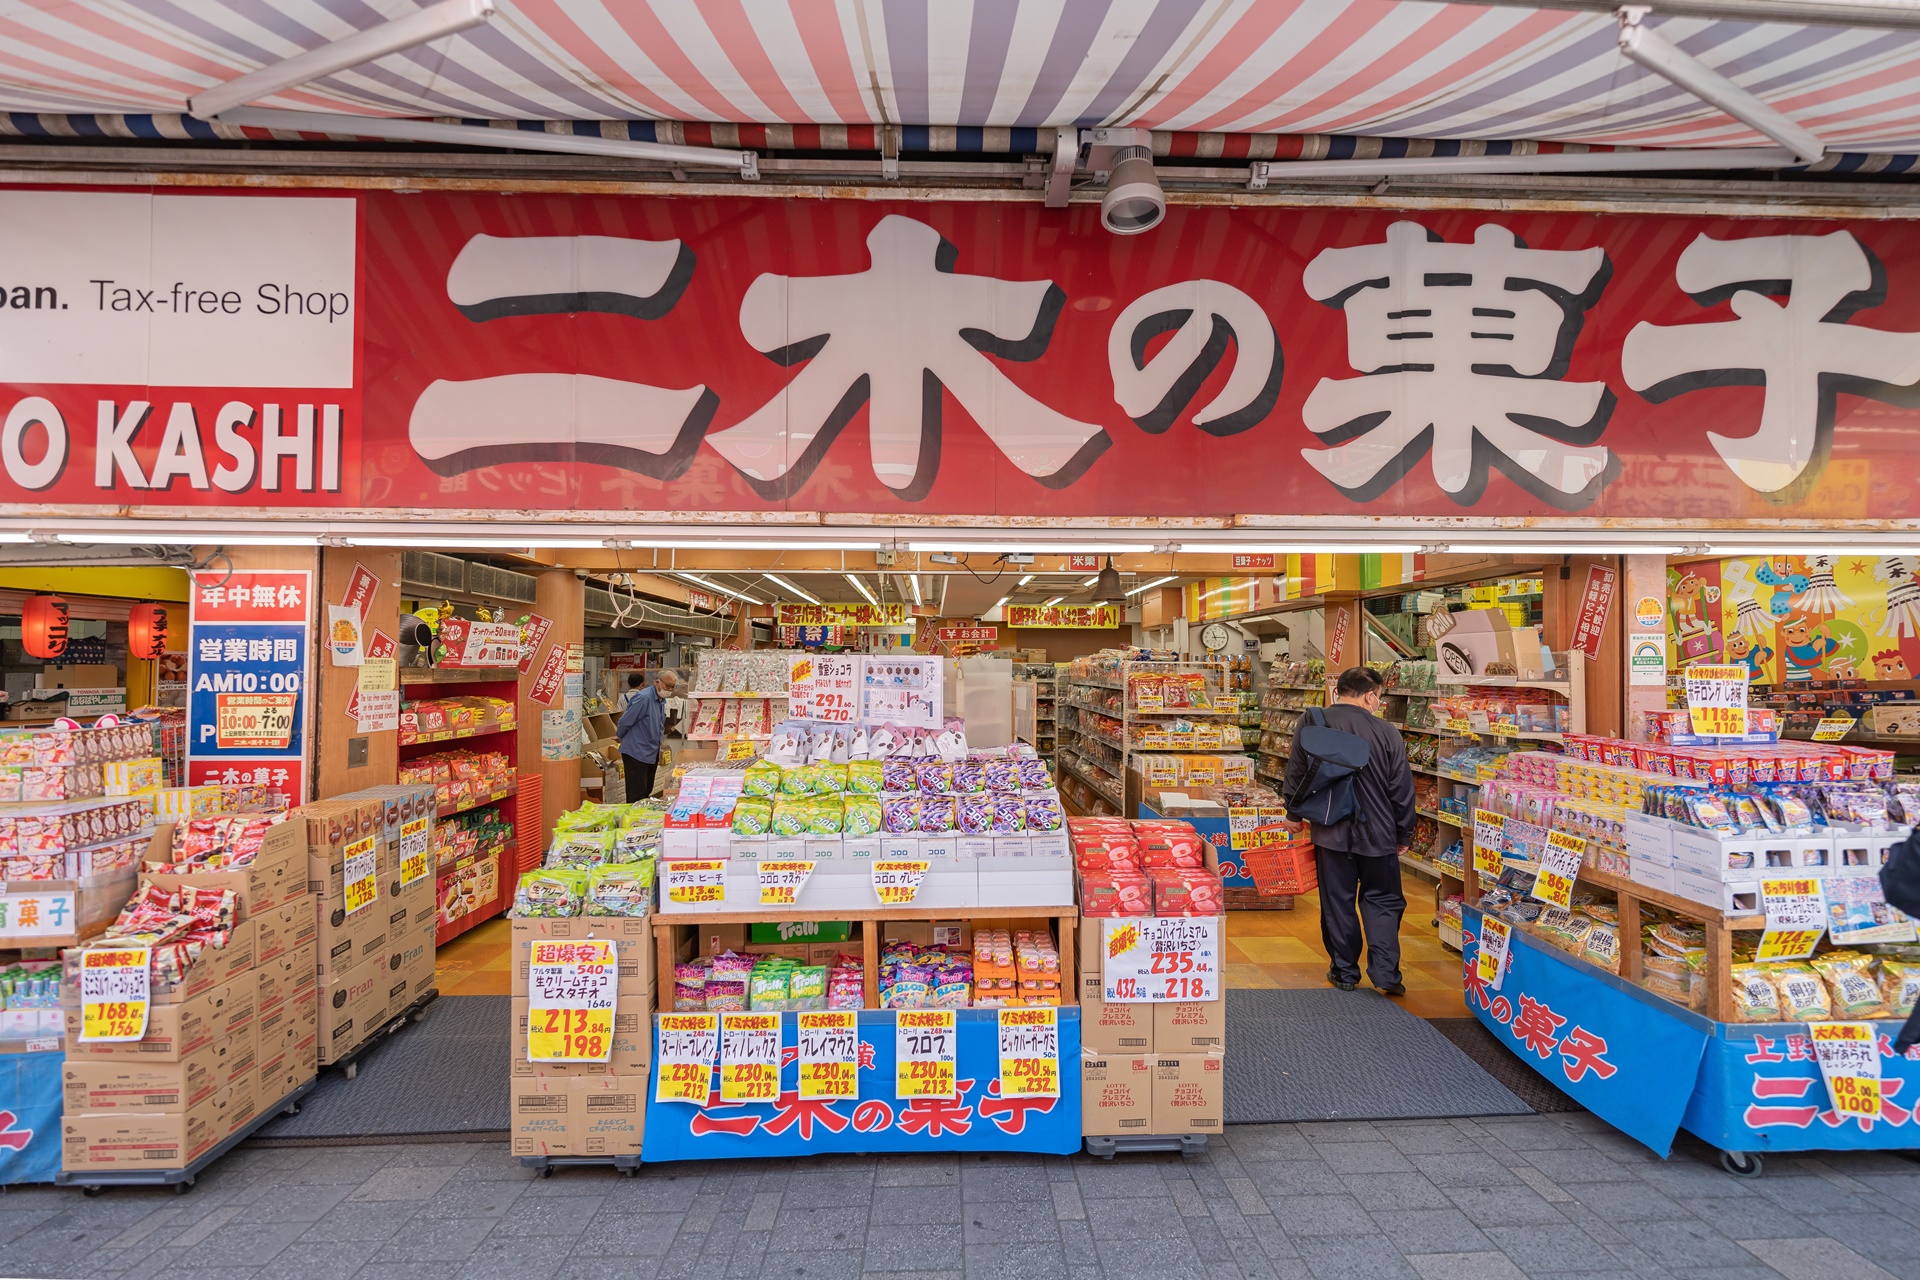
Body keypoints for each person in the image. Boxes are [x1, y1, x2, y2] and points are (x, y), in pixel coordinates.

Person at [1281, 666, 1417, 995]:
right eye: (1379, 697)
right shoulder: (1386, 732)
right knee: (1383, 901)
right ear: (1370, 696)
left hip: (1331, 831)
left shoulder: (1313, 721)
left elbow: (1297, 772)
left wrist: (1293, 813)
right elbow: (1401, 788)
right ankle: (1386, 973)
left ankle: (1345, 972)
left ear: (1338, 691)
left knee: (1337, 901)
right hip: (1379, 832)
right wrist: (1404, 833)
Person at [617, 669, 677, 802]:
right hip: (636, 752)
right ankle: (633, 815)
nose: (669, 690)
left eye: (673, 687)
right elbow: (625, 722)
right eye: (668, 686)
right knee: (636, 794)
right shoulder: (643, 698)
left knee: (646, 791)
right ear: (657, 682)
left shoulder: (661, 700)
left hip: (651, 752)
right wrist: (620, 736)